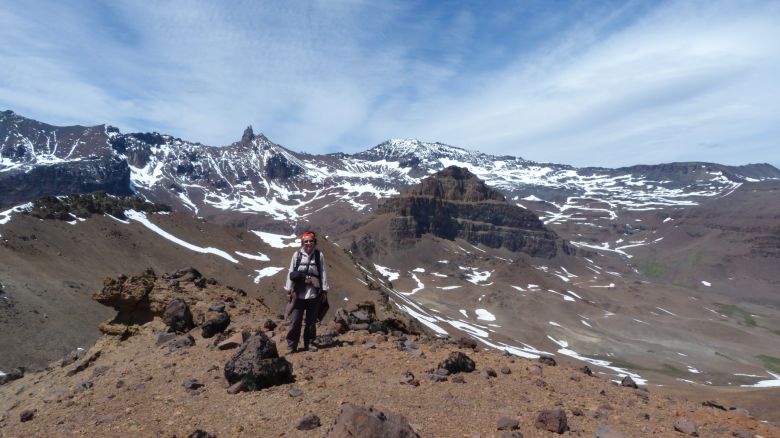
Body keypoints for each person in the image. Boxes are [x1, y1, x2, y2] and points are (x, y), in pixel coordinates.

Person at [284, 231, 328, 354]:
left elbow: (323, 273)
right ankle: (291, 345)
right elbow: (291, 272)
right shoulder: (296, 255)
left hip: (314, 293)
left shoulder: (319, 256)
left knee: (311, 320)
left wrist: (324, 290)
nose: (308, 243)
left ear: (314, 242)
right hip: (298, 292)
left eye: (311, 241)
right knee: (295, 320)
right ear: (302, 242)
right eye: (306, 241)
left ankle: (310, 343)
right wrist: (289, 290)